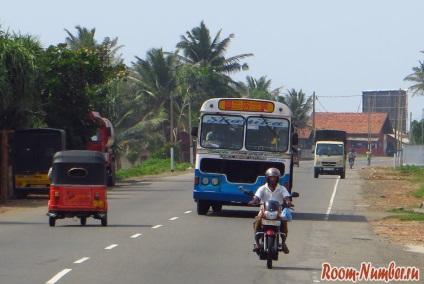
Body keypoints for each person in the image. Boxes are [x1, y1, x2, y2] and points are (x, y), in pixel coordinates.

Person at [249, 167, 292, 254]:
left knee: (283, 222)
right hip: (264, 211)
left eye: (274, 177)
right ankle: (257, 243)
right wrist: (254, 201)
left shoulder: (282, 188)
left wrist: (288, 202)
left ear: (277, 178)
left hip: (278, 212)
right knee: (258, 221)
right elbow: (257, 197)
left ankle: (283, 243)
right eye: (271, 177)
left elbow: (286, 197)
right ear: (267, 178)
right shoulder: (262, 188)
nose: (273, 179)